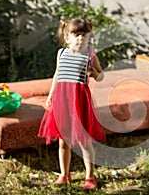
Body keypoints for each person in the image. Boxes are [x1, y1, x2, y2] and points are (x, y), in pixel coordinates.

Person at [38, 18, 106, 190]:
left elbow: (102, 76)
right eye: (76, 35)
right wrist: (51, 95)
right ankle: (64, 174)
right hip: (62, 101)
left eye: (84, 35)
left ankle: (90, 176)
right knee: (63, 141)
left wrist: (93, 73)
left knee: (84, 141)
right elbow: (56, 75)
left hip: (79, 101)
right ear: (67, 37)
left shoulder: (90, 56)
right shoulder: (61, 53)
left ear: (88, 38)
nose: (80, 39)